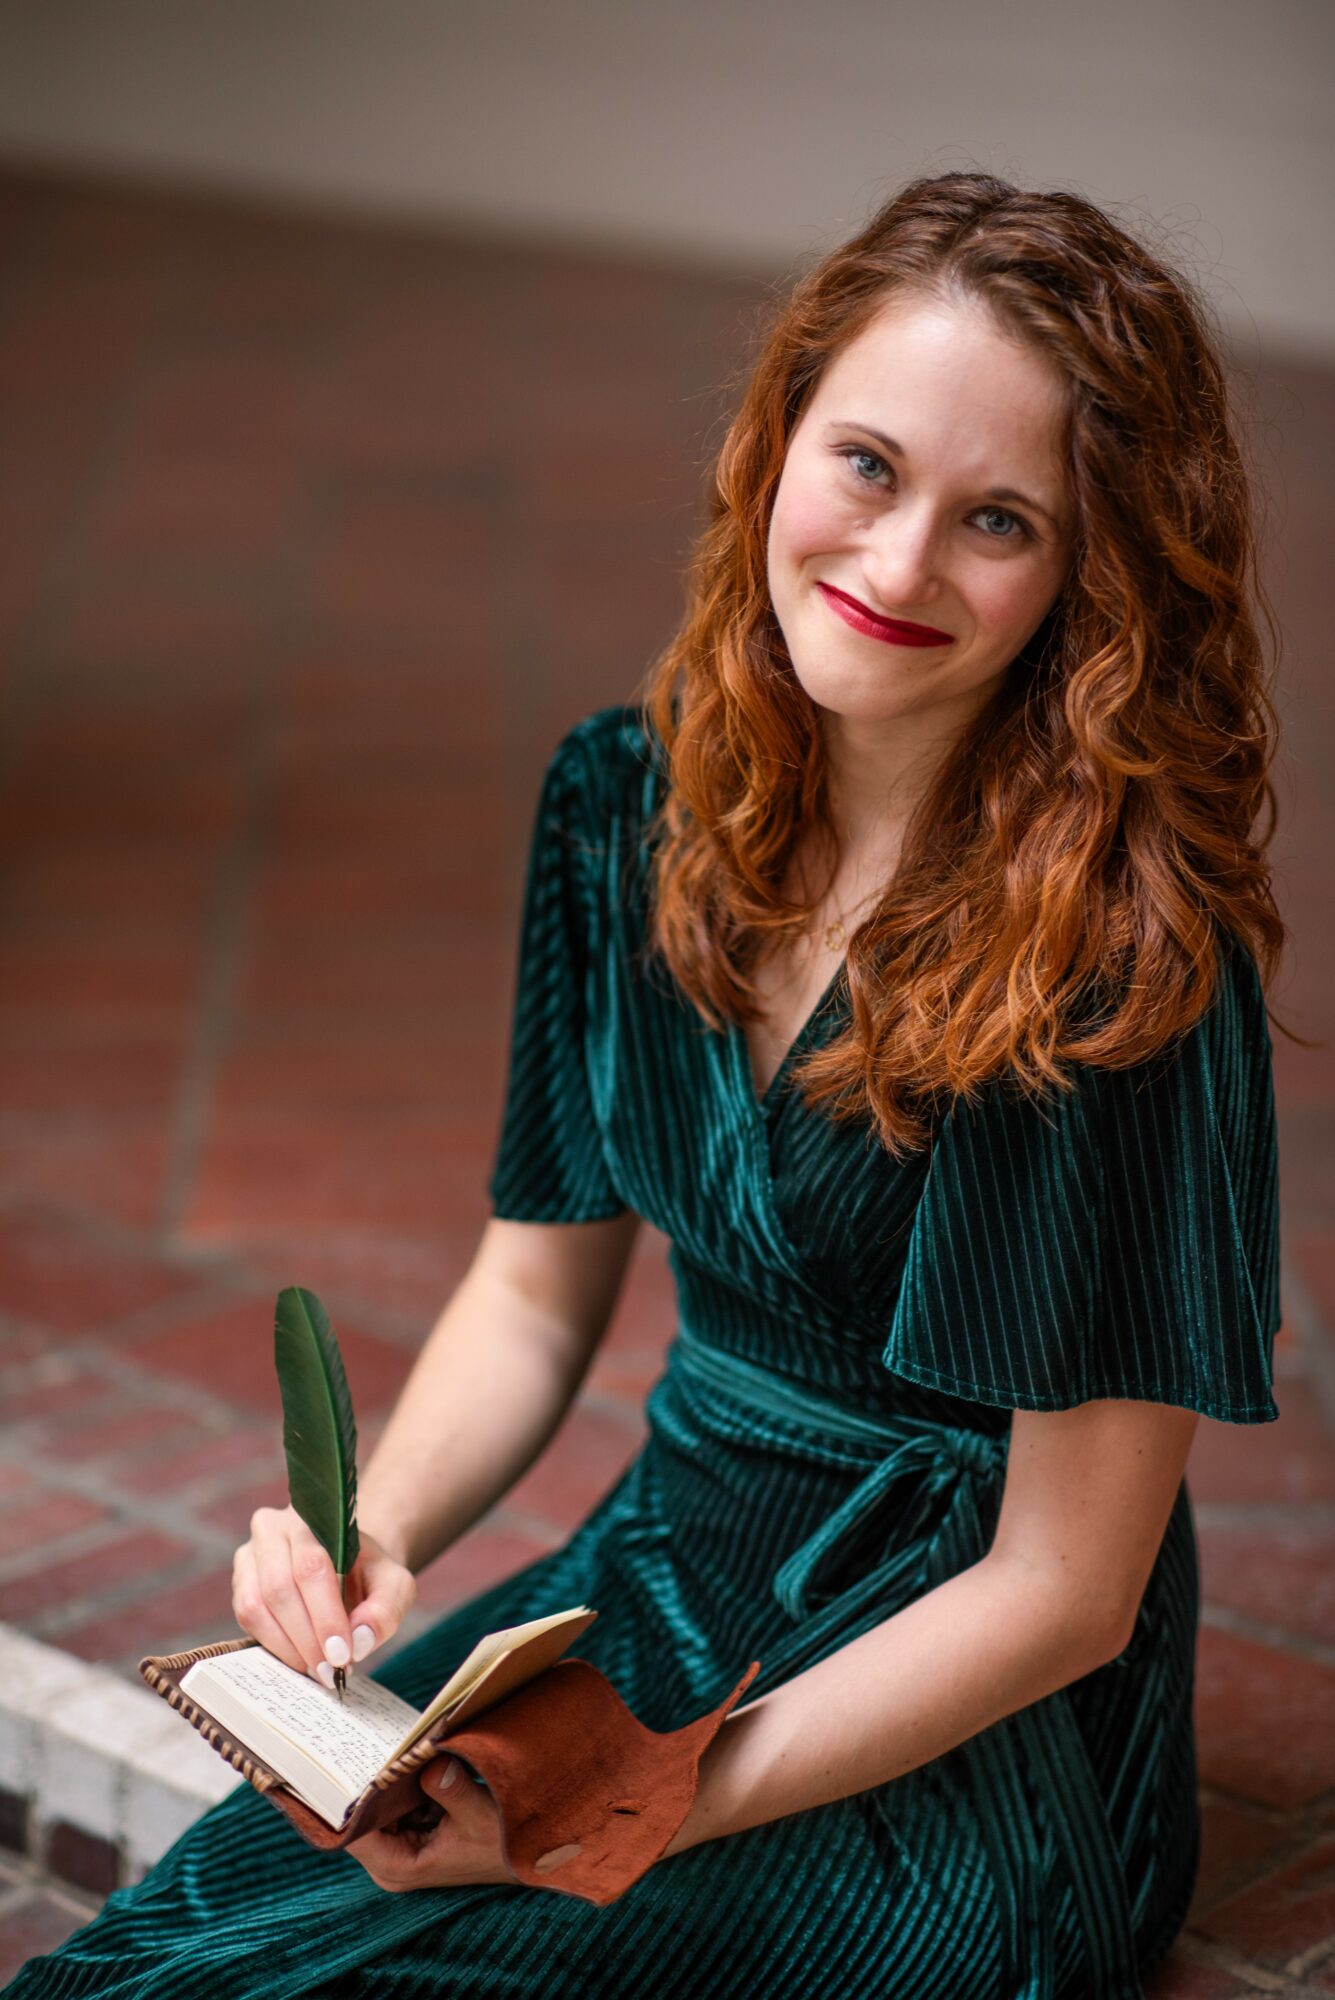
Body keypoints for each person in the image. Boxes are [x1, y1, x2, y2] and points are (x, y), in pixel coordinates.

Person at [6, 168, 1288, 2000]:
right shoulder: (623, 802)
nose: (902, 562)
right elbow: (537, 1295)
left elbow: (1065, 1596)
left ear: (1093, 575)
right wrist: (378, 1544)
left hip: (972, 1722)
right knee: (175, 1958)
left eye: (999, 518)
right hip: (673, 1575)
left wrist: (621, 1812)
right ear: (775, 445)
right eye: (866, 465)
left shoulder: (1129, 950)